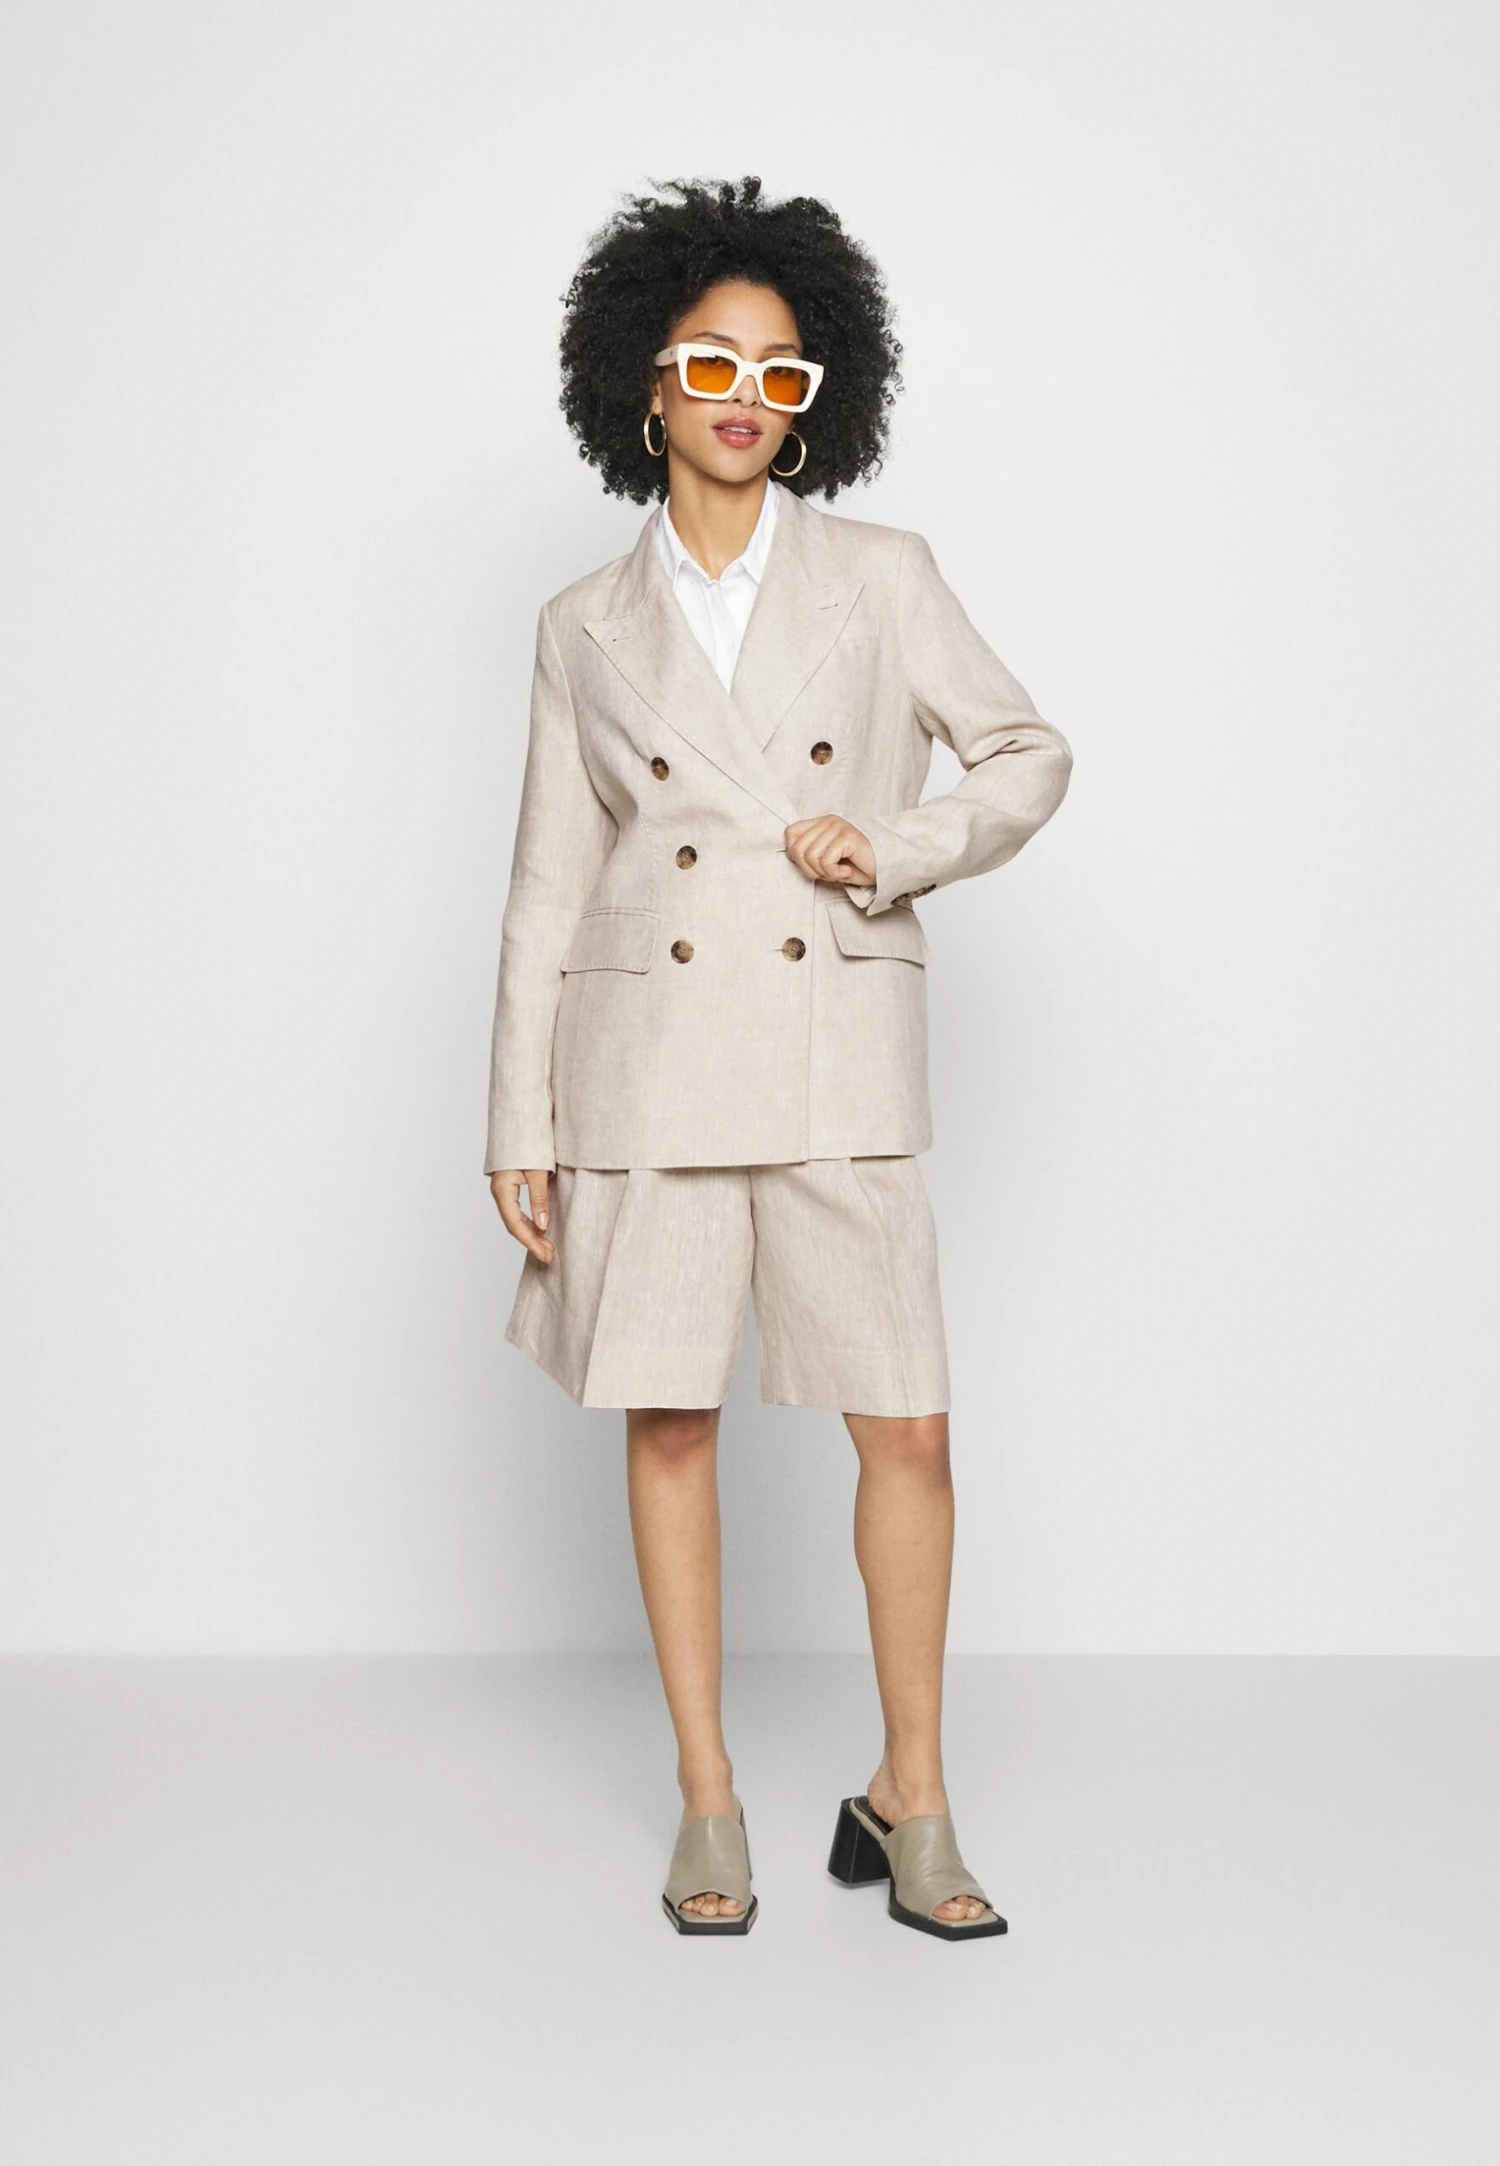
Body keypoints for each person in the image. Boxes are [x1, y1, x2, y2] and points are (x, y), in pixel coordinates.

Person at [484, 176, 1073, 1939]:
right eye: (710, 362)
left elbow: (1026, 754)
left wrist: (889, 844)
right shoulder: (580, 622)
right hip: (647, 1060)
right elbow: (547, 880)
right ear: (645, 383)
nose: (745, 396)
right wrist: (519, 1116)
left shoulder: (882, 579)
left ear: (818, 400)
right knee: (671, 1417)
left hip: (833, 1047)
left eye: (781, 372)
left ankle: (913, 1794)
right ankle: (709, 1796)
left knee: (909, 1428)